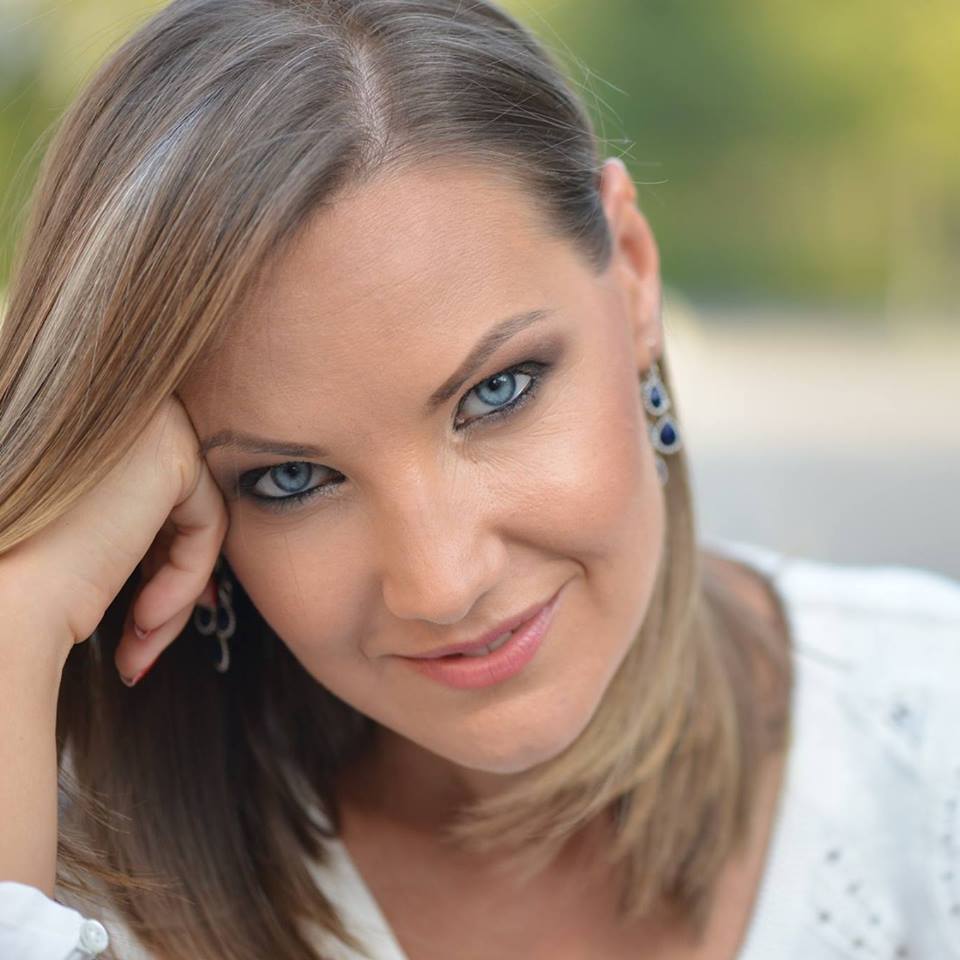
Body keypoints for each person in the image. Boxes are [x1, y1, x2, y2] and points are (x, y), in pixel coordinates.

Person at [1, 0, 958, 958]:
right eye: (291, 478)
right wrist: (22, 607)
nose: (442, 585)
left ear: (632, 275)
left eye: (497, 392)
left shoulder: (931, 728)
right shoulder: (49, 880)